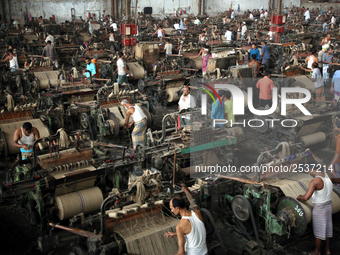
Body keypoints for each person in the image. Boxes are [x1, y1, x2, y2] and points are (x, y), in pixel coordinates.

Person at [297, 168, 340, 255]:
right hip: (328, 206)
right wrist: (333, 173)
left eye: (309, 170)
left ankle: (317, 251)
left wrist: (299, 197)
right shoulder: (328, 176)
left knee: (318, 231)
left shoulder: (315, 181)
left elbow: (306, 198)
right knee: (328, 228)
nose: (308, 172)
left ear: (313, 169)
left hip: (319, 208)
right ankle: (327, 250)